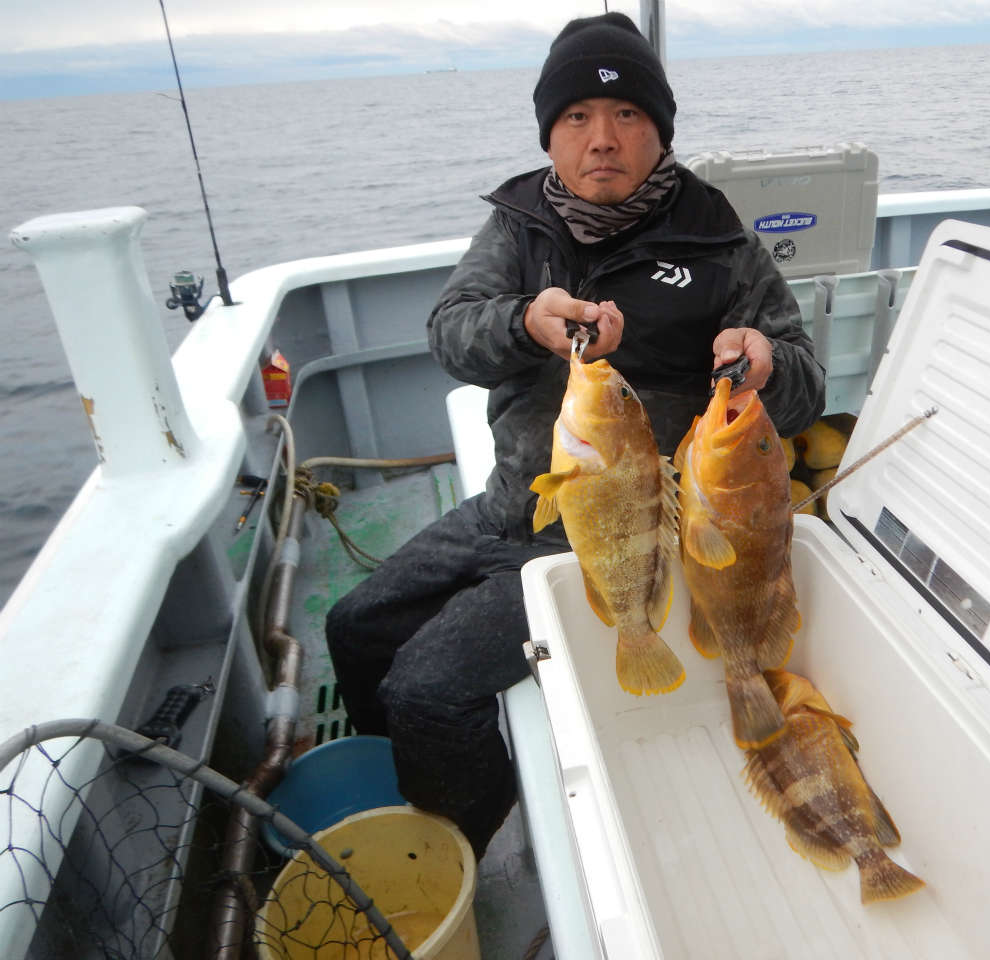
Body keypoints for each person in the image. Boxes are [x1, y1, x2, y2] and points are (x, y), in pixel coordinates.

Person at [325, 11, 826, 860]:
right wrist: (524, 322)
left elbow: (809, 389)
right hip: (506, 504)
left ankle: (459, 845)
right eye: (577, 119)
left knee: (428, 687)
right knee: (353, 625)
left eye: (629, 114)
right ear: (551, 136)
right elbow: (450, 334)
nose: (604, 138)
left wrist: (767, 363)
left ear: (659, 133)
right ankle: (398, 787)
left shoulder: (720, 242)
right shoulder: (520, 227)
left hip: (614, 535)